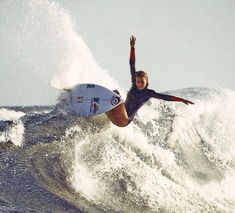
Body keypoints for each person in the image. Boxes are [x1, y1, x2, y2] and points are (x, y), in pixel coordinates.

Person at [106, 36, 194, 127]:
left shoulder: (149, 93)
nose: (140, 84)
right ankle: (100, 109)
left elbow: (165, 97)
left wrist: (181, 99)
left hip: (124, 120)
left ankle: (108, 109)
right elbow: (132, 64)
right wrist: (132, 47)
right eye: (138, 81)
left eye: (142, 82)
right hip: (117, 115)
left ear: (146, 82)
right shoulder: (134, 84)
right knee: (115, 93)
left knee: (117, 100)